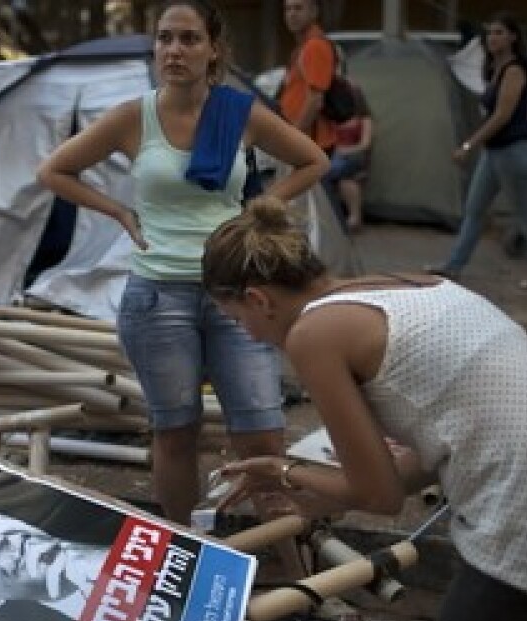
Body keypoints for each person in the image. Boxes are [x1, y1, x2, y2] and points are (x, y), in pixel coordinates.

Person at [204, 196, 527, 621]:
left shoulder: (313, 334)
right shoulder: (409, 284)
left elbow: (380, 497)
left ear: (258, 299)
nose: (246, 333)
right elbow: (433, 447)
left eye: (236, 319)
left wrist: (283, 471)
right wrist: (326, 490)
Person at [37, 0, 327, 525]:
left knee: (262, 431)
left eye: (189, 38)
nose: (174, 50)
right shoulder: (133, 117)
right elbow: (55, 171)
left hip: (238, 297)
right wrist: (120, 213)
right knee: (176, 433)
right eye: (165, 38)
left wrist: (263, 209)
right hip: (157, 298)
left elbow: (314, 160)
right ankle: (183, 547)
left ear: (213, 50)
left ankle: (284, 556)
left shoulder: (239, 113)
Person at [425, 12, 527, 290]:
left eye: (500, 33)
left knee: (526, 213)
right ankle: (454, 266)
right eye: (490, 33)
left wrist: (469, 144)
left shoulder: (515, 70)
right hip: (495, 153)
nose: (493, 38)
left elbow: (502, 115)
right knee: (474, 209)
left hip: (514, 151)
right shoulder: (494, 69)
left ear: (513, 37)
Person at [280, 0, 337, 155]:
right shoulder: (302, 47)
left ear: (313, 12)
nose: (292, 14)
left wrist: (294, 136)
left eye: (298, 8)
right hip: (304, 139)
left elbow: (315, 100)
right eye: (288, 9)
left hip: (311, 140)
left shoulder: (315, 46)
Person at [325, 79, 372, 233]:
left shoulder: (364, 119)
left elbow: (365, 144)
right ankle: (346, 217)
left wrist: (346, 150)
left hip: (353, 155)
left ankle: (353, 217)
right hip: (334, 156)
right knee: (342, 175)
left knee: (343, 173)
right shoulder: (334, 115)